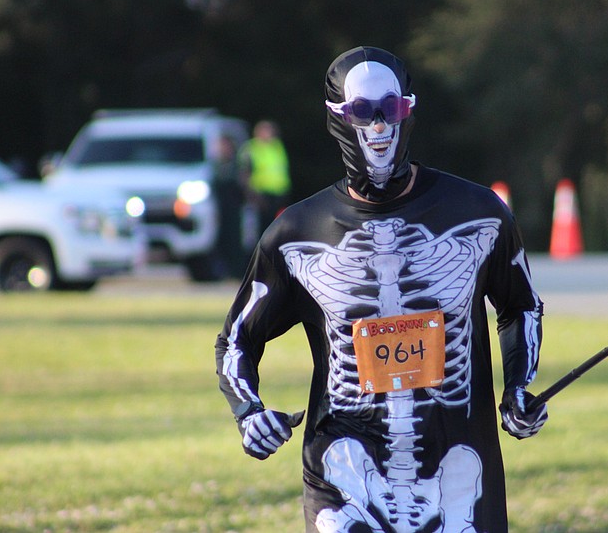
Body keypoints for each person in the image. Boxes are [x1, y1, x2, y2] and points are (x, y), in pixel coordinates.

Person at [214, 46, 548, 532]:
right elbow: (238, 339)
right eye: (362, 112)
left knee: (462, 470)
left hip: (458, 469)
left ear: (407, 110)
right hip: (345, 473)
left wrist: (519, 388)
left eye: (390, 110)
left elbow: (521, 306)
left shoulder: (479, 215)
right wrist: (249, 411)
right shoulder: (296, 234)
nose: (378, 127)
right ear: (337, 119)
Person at [237, 119, 292, 248]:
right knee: (260, 233)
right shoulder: (251, 149)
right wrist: (252, 195)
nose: (270, 133)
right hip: (260, 198)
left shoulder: (277, 146)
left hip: (278, 196)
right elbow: (244, 174)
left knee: (278, 231)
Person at [210, 133, 246, 278]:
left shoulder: (236, 165)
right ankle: (222, 272)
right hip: (219, 211)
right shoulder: (215, 166)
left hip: (234, 210)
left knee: (235, 242)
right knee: (220, 242)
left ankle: (237, 272)